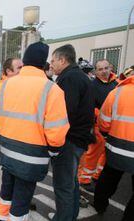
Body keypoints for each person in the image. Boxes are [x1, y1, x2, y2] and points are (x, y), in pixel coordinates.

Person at [0, 42, 69, 221]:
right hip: (32, 156)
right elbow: (57, 132)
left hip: (6, 151)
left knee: (6, 194)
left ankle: (0, 218)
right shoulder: (52, 89)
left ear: (25, 61)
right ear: (44, 63)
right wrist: (53, 152)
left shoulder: (4, 85)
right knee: (21, 200)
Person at [50, 44, 95, 220]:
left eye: (53, 60)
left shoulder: (69, 79)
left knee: (63, 186)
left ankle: (63, 217)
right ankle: (70, 214)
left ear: (63, 59)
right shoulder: (78, 76)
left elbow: (64, 112)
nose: (51, 64)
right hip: (78, 139)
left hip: (69, 140)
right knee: (71, 182)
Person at [93, 69, 134, 221]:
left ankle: (99, 205)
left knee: (108, 179)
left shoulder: (116, 93)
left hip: (116, 147)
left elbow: (103, 122)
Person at [78, 59, 118, 193]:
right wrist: (102, 114)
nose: (104, 71)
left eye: (106, 68)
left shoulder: (117, 84)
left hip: (114, 127)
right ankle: (84, 179)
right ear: (95, 71)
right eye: (100, 69)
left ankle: (96, 175)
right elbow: (88, 106)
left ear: (110, 67)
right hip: (97, 126)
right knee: (92, 154)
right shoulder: (92, 86)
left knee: (106, 154)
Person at [0, 57, 23, 207]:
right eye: (19, 68)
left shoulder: (13, 84)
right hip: (6, 134)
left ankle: (14, 198)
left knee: (14, 167)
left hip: (15, 134)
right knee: (7, 166)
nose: (22, 71)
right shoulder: (2, 86)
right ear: (8, 71)